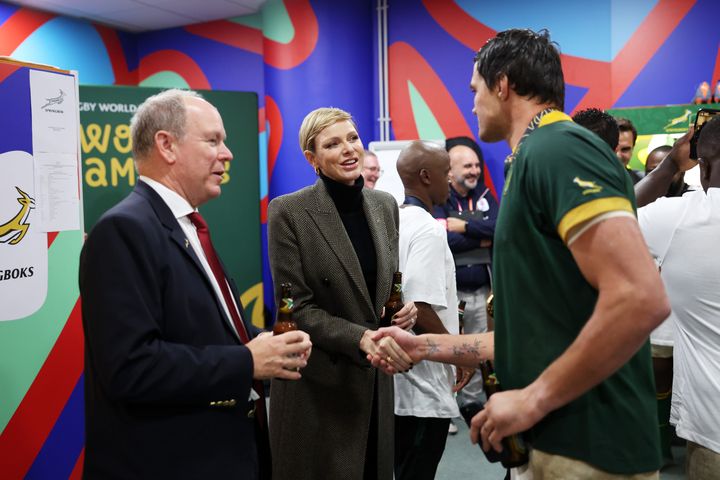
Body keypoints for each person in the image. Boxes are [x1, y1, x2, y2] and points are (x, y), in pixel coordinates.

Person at [375, 28, 670, 478]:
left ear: (503, 84)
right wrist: (424, 346)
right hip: (554, 442)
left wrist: (532, 399)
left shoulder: (558, 149)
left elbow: (641, 298)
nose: (472, 104)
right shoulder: (532, 157)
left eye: (474, 89)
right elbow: (533, 335)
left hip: (589, 447)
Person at [79, 89, 312, 480]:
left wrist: (272, 345)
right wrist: (247, 361)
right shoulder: (123, 230)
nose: (228, 154)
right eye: (213, 140)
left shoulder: (186, 225)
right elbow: (130, 367)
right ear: (167, 145)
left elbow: (204, 331)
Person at [267, 107, 416, 480]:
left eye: (352, 138)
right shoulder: (289, 212)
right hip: (319, 388)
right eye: (332, 144)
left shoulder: (384, 206)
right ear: (312, 159)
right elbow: (296, 309)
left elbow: (386, 286)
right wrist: (360, 337)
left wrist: (403, 310)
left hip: (374, 383)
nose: (349, 149)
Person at [636, 122, 720, 479]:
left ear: (703, 167)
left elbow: (607, 218)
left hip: (713, 429)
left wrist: (670, 165)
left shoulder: (681, 216)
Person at [393, 141, 471, 479]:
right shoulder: (428, 229)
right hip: (423, 390)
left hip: (400, 387)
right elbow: (419, 307)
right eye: (445, 172)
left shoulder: (393, 220)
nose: (450, 179)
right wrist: (459, 354)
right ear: (426, 176)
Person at [616, 117, 646, 184]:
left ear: (633, 148)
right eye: (612, 148)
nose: (618, 155)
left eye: (625, 149)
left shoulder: (645, 182)